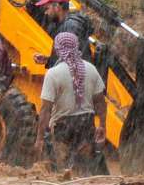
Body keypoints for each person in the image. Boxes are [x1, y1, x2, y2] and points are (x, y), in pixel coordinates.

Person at [36, 32, 108, 174]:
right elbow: (101, 102)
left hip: (63, 126)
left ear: (57, 49)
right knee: (85, 169)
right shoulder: (91, 69)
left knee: (64, 172)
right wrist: (102, 126)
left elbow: (45, 109)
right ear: (76, 46)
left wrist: (39, 138)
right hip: (86, 124)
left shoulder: (53, 73)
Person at [33, 0, 94, 66]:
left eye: (47, 8)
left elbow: (72, 64)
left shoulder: (71, 27)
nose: (45, 12)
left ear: (57, 7)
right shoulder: (65, 25)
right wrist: (49, 60)